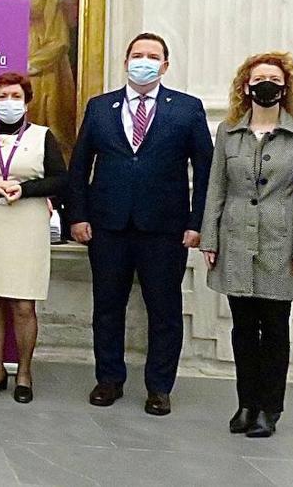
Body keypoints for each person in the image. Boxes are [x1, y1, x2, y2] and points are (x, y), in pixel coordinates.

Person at [69, 33, 214, 416]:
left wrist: (198, 222)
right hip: (108, 225)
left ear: (165, 65)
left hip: (165, 228)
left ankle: (159, 387)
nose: (144, 61)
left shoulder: (186, 109)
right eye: (137, 55)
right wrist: (78, 215)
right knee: (107, 307)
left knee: (164, 311)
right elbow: (80, 165)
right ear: (125, 61)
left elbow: (205, 170)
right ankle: (109, 379)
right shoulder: (100, 107)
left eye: (152, 56)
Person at [200, 53, 293, 438]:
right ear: (246, 86)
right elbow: (216, 187)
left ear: (285, 87)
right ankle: (246, 403)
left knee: (275, 329)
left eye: (274, 78)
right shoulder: (228, 132)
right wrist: (209, 237)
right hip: (235, 241)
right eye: (259, 77)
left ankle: (270, 408)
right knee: (243, 328)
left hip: (279, 244)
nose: (266, 84)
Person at [0, 72, 68, 404]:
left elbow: (59, 179)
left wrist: (25, 189)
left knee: (23, 305)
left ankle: (24, 371)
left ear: (27, 101)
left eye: (16, 96)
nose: (9, 102)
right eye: (3, 96)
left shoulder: (42, 136)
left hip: (27, 222)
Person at [2, 0, 76, 156]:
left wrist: (37, 61)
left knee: (45, 110)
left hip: (43, 55)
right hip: (16, 51)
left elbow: (58, 33)